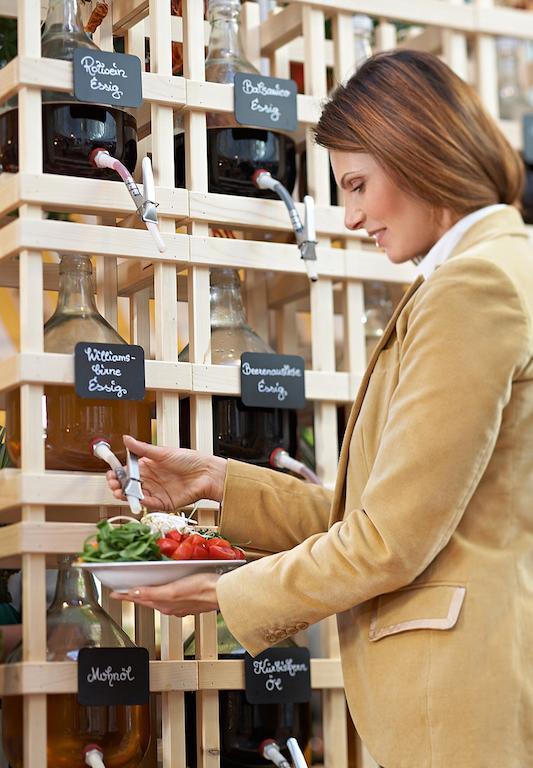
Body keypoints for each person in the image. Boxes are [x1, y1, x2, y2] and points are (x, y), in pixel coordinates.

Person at [107, 51, 533, 768]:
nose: (351, 215)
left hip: (465, 700)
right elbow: (376, 515)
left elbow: (387, 541)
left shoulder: (473, 288)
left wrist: (225, 594)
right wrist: (218, 481)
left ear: (421, 153)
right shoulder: (495, 270)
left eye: (359, 184)